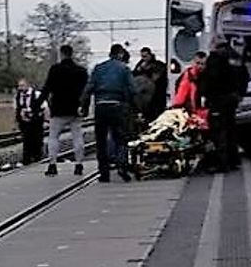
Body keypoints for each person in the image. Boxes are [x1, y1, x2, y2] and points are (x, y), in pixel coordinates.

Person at [81, 44, 137, 182]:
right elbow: (132, 89)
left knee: (100, 141)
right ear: (121, 54)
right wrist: (133, 107)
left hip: (100, 106)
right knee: (120, 139)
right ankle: (122, 165)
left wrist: (84, 107)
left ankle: (104, 173)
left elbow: (88, 89)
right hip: (118, 106)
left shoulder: (98, 68)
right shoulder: (124, 69)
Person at [200, 38, 249, 172]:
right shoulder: (235, 58)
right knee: (231, 129)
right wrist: (240, 94)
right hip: (232, 98)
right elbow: (245, 76)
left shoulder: (215, 60)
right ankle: (234, 160)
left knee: (218, 131)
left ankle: (222, 163)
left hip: (218, 99)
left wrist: (205, 94)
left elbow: (211, 79)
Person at [40, 45, 89, 177]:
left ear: (61, 54)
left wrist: (36, 105)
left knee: (53, 137)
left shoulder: (55, 70)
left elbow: (47, 88)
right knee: (77, 137)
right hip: (75, 109)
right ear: (72, 54)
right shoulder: (81, 71)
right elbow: (87, 91)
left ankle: (52, 165)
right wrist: (85, 108)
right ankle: (78, 165)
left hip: (58, 109)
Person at [15, 78, 47, 165]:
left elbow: (43, 107)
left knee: (37, 139)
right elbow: (17, 107)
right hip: (24, 122)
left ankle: (37, 157)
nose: (20, 88)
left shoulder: (36, 94)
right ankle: (27, 159)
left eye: (22, 86)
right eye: (19, 86)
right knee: (26, 140)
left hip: (36, 121)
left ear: (28, 85)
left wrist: (34, 114)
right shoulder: (18, 96)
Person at [133, 47, 169, 122]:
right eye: (142, 57)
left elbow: (155, 78)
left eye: (145, 56)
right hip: (145, 100)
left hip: (157, 97)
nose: (144, 59)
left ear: (150, 55)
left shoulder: (158, 65)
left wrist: (145, 70)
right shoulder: (140, 66)